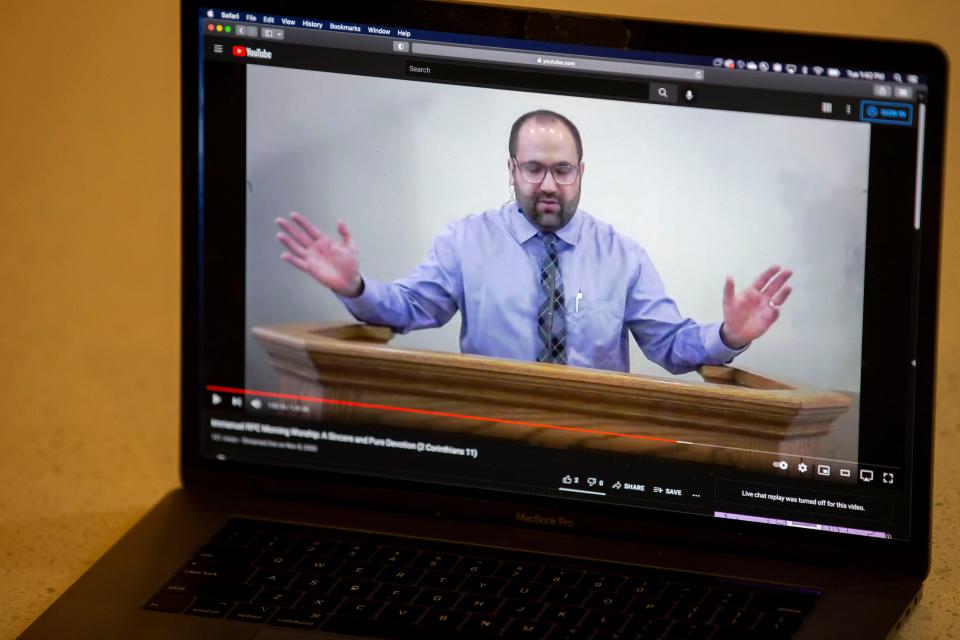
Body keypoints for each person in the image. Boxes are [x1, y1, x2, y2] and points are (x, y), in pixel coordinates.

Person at [275, 109, 792, 374]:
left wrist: (729, 334)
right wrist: (356, 286)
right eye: (534, 169)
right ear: (511, 169)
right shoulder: (465, 240)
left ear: (582, 171)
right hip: (490, 441)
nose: (548, 184)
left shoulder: (624, 256)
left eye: (562, 170)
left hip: (599, 446)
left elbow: (670, 347)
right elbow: (411, 308)